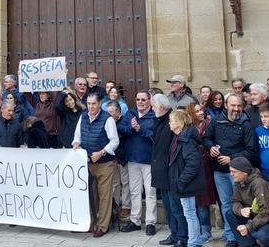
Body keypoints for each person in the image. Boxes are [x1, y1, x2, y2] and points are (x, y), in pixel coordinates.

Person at [203, 93, 257, 247]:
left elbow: (251, 150)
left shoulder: (246, 124)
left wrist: (231, 158)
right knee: (226, 204)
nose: (236, 109)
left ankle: (243, 235)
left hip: (238, 173)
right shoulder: (216, 120)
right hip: (219, 171)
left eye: (239, 106)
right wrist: (210, 147)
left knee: (240, 204)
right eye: (233, 105)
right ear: (226, 106)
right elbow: (206, 138)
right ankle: (231, 236)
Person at [72, 93, 119, 238]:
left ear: (99, 104)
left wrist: (102, 152)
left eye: (94, 104)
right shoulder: (83, 117)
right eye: (89, 103)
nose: (91, 106)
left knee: (104, 195)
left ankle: (103, 226)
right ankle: (91, 222)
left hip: (105, 163)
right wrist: (76, 145)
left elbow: (114, 141)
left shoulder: (108, 119)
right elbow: (77, 137)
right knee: (91, 196)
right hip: (88, 163)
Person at [118, 90, 157, 234]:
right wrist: (132, 129)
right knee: (135, 191)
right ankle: (135, 220)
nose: (140, 102)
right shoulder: (130, 114)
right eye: (138, 99)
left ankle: (150, 223)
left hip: (149, 160)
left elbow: (155, 136)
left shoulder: (154, 116)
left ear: (149, 101)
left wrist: (140, 129)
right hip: (133, 159)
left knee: (150, 191)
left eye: (143, 100)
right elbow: (121, 128)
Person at [227, 157, 269, 247]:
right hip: (256, 217)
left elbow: (265, 213)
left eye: (234, 172)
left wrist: (248, 227)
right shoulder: (239, 182)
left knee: (263, 236)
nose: (231, 174)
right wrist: (240, 210)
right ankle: (249, 245)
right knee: (230, 213)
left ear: (244, 173)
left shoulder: (259, 184)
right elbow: (235, 201)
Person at [168, 110, 206, 247]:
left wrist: (181, 182)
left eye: (171, 121)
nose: (169, 123)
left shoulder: (187, 140)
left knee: (190, 213)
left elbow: (192, 164)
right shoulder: (178, 137)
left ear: (178, 123)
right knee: (188, 213)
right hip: (182, 183)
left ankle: (193, 242)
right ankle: (193, 241)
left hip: (187, 184)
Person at [152, 92, 185, 246]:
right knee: (168, 206)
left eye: (154, 105)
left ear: (162, 107)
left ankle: (180, 235)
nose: (152, 108)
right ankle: (174, 234)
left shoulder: (170, 122)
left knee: (175, 207)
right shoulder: (159, 120)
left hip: (170, 172)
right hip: (162, 172)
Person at [188, 102, 216, 243]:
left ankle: (229, 231)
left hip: (210, 165)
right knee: (200, 200)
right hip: (196, 167)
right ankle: (205, 231)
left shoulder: (209, 124)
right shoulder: (188, 128)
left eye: (201, 110)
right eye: (197, 111)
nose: (200, 113)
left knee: (219, 199)